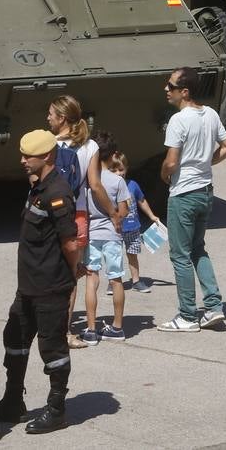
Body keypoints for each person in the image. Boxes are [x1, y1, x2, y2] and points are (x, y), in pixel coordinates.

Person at [0, 129, 82, 435]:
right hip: (28, 286)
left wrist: (71, 274)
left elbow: (70, 244)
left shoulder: (57, 193)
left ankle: (57, 410)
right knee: (15, 340)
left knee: (52, 348)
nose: (21, 161)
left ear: (46, 156)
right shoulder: (38, 187)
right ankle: (12, 401)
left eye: (26, 156)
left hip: (49, 286)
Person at [158, 66, 226, 333]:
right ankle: (213, 307)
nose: (166, 90)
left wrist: (165, 175)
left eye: (171, 86)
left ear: (185, 91)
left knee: (179, 255)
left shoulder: (179, 120)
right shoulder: (211, 114)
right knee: (198, 249)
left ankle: (187, 315)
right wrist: (206, 163)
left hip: (183, 195)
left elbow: (171, 161)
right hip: (205, 192)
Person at [47, 95, 108, 351]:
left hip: (49, 213)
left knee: (47, 269)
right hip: (78, 215)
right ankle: (65, 330)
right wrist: (113, 212)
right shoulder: (90, 146)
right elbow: (94, 185)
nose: (47, 117)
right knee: (70, 275)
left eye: (51, 113)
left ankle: (46, 325)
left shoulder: (46, 143)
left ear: (61, 118)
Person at [80, 144, 130, 345]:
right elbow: (124, 211)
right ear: (112, 156)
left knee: (91, 278)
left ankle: (91, 329)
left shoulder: (88, 180)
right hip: (113, 233)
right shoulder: (118, 180)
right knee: (116, 278)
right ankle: (117, 326)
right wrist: (115, 216)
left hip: (92, 233)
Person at [106, 148, 160, 292]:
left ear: (127, 169)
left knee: (132, 255)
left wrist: (151, 216)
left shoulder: (133, 185)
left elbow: (142, 201)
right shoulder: (108, 187)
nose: (118, 173)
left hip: (133, 227)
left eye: (121, 169)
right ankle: (113, 282)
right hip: (115, 228)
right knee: (114, 256)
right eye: (114, 170)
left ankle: (136, 280)